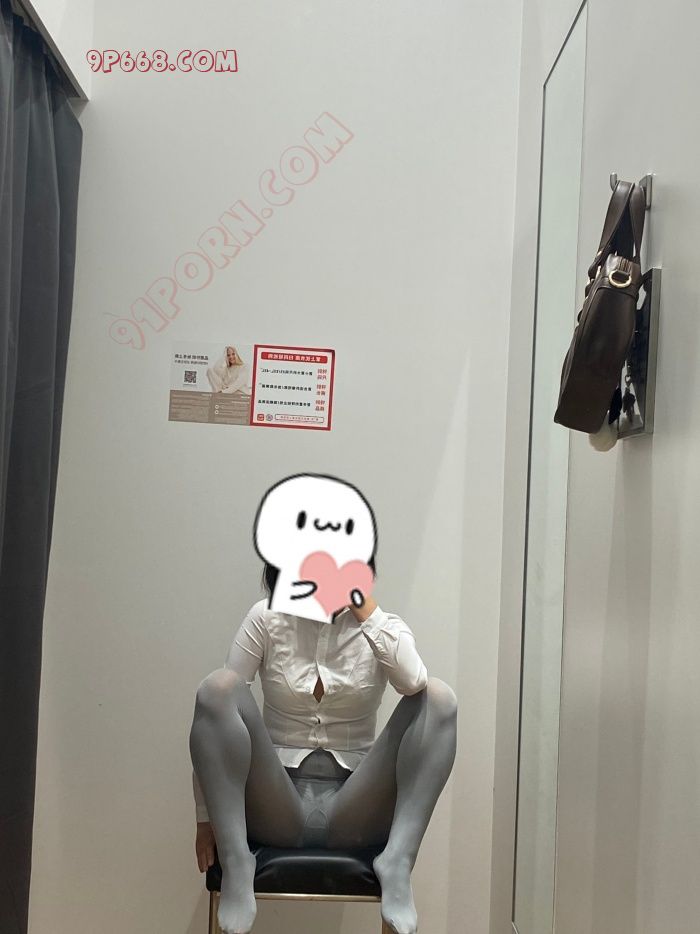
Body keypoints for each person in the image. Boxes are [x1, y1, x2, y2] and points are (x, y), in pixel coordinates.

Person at [190, 547, 457, 934]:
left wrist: (363, 607)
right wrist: (205, 816)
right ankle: (237, 861)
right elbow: (218, 715)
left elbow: (414, 681)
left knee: (439, 696)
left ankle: (398, 859)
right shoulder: (266, 617)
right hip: (275, 804)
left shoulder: (384, 627)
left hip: (357, 808)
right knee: (217, 686)